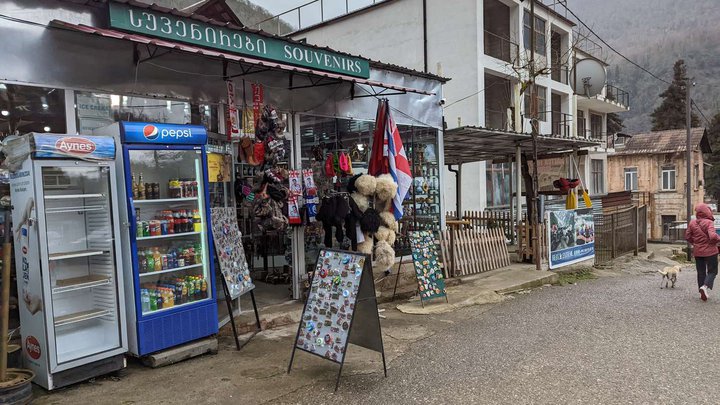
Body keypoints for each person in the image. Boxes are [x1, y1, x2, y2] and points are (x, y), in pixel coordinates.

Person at [685, 203, 720, 301]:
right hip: (711, 252)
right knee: (713, 271)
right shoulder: (709, 222)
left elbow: (687, 236)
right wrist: (718, 239)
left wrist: (695, 243)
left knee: (700, 272)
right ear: (707, 211)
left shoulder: (692, 223)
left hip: (698, 251)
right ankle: (704, 287)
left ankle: (701, 293)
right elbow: (713, 236)